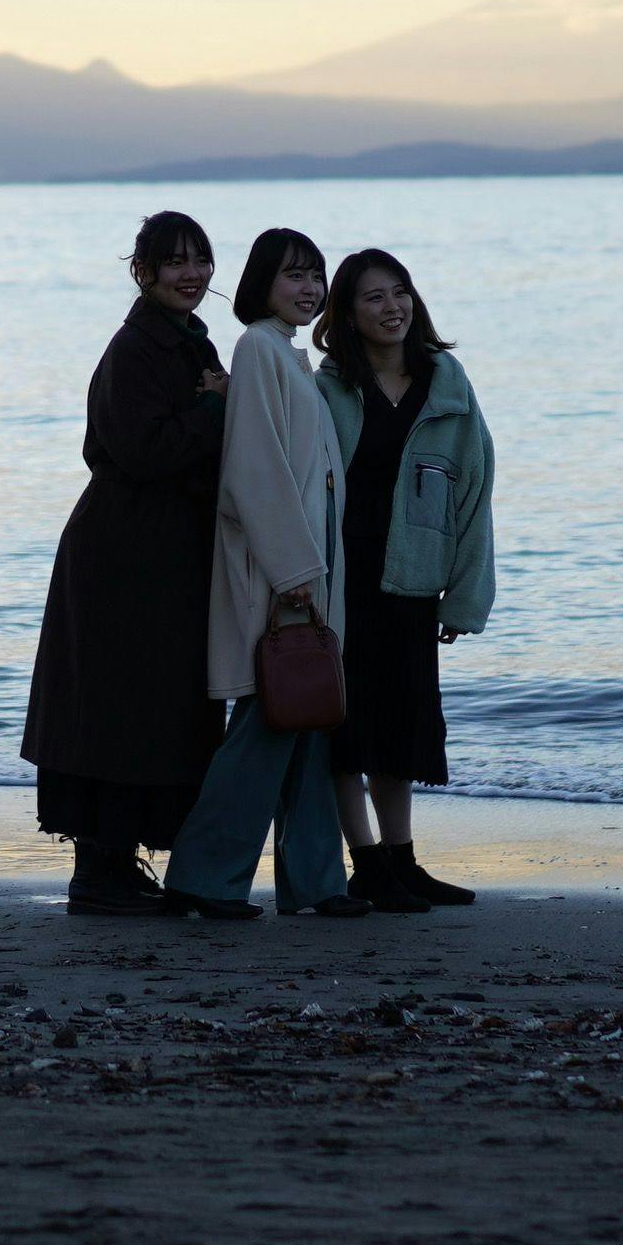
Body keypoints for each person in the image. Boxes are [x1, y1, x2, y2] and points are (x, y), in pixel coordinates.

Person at [22, 211, 232, 915]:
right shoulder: (134, 349)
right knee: (117, 707)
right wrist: (214, 409)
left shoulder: (188, 340)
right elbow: (144, 453)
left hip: (163, 550)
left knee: (154, 705)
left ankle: (118, 861)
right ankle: (99, 867)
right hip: (122, 553)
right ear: (143, 272)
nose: (191, 274)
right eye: (175, 261)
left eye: (200, 260)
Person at [161, 227, 363, 921]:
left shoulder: (286, 354)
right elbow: (254, 471)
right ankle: (203, 878)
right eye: (293, 275)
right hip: (283, 572)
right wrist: (293, 567)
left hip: (309, 566)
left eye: (315, 275)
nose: (309, 288)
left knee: (307, 722)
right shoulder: (257, 348)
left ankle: (318, 883)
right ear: (261, 284)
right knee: (268, 724)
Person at [313, 248, 494, 914]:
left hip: (413, 580)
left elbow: (475, 494)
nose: (392, 307)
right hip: (341, 580)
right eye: (374, 297)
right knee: (346, 730)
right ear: (347, 314)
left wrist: (464, 595)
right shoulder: (328, 388)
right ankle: (367, 866)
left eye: (400, 292)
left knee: (401, 727)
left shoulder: (448, 386)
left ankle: (402, 861)